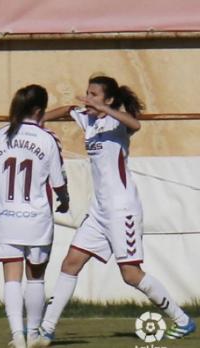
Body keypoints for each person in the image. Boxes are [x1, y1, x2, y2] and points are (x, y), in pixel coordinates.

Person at [32, 75, 195, 346]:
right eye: (87, 93)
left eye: (94, 94)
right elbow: (67, 111)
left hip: (122, 210)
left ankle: (182, 320)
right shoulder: (88, 119)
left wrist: (106, 110)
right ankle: (46, 330)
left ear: (108, 99)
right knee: (70, 263)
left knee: (131, 274)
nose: (88, 98)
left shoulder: (116, 122)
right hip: (99, 211)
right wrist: (37, 120)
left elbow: (136, 124)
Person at [0, 84, 70, 348]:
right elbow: (59, 182)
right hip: (37, 220)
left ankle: (17, 336)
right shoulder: (47, 138)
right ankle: (34, 334)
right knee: (36, 277)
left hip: (6, 217)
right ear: (40, 110)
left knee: (11, 277)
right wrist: (65, 201)